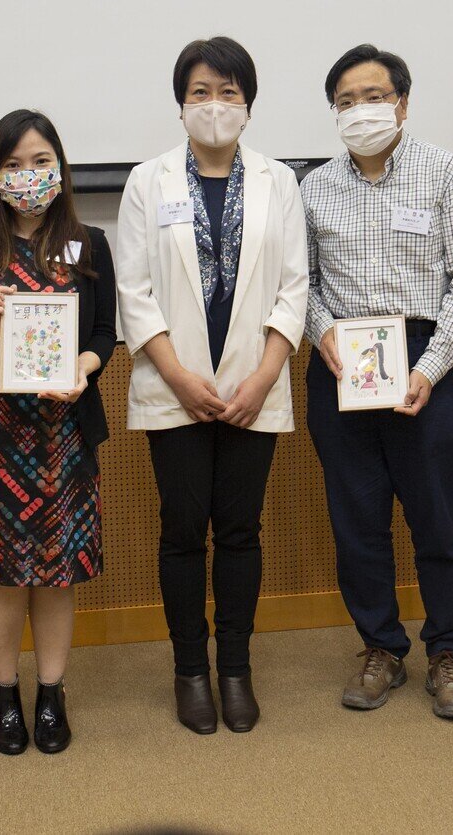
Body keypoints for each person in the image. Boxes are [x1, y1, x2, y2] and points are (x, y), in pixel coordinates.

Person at [115, 37, 308, 734]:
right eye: (201, 91)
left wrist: (263, 376)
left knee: (240, 530)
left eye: (228, 92)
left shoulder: (279, 181)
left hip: (255, 385)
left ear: (249, 105)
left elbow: (294, 289)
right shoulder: (148, 181)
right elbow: (134, 291)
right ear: (180, 103)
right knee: (181, 531)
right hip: (176, 387)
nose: (215, 105)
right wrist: (176, 375)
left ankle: (235, 668)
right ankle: (190, 670)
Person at [302, 44, 453, 720]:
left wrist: (430, 367)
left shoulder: (448, 172)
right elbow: (305, 285)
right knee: (357, 520)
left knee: (435, 515)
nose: (361, 110)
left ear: (403, 102)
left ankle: (447, 651)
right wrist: (322, 331)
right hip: (341, 363)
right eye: (346, 100)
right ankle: (380, 644)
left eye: (374, 96)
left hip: (423, 358)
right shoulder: (314, 185)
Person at [0, 110, 116, 756]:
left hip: (63, 431)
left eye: (40, 161)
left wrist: (82, 367)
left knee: (57, 573)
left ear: (61, 169)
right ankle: (4, 692)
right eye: (13, 164)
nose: (28, 175)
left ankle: (51, 692)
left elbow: (104, 335)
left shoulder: (87, 242)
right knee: (2, 574)